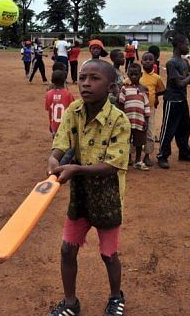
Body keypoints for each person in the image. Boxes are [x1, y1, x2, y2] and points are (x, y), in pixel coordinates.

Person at [46, 59, 130, 316]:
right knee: (67, 250)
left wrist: (76, 169)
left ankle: (116, 297)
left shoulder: (119, 121)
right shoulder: (74, 111)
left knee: (108, 254)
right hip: (80, 194)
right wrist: (54, 158)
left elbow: (113, 165)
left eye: (94, 79)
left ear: (111, 87)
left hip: (108, 195)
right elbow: (61, 142)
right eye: (82, 78)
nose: (85, 83)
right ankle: (70, 302)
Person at [157, 34, 190, 169]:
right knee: (168, 129)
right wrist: (188, 77)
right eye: (186, 44)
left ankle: (184, 152)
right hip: (172, 100)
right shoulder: (171, 63)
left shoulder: (185, 62)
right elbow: (180, 83)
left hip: (182, 99)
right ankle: (162, 155)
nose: (188, 47)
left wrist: (187, 78)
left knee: (185, 128)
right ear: (178, 45)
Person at [119, 63, 151, 170]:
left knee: (139, 142)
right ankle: (127, 159)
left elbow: (146, 106)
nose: (133, 76)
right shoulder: (124, 88)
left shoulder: (144, 90)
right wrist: (122, 119)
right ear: (127, 74)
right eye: (131, 74)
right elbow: (121, 104)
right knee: (126, 140)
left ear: (141, 74)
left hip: (139, 121)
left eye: (136, 74)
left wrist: (146, 121)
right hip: (127, 121)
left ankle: (138, 160)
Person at [140, 52, 165, 166]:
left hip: (150, 109)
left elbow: (162, 90)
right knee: (136, 131)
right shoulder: (137, 75)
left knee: (150, 132)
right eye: (145, 59)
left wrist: (154, 97)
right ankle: (132, 155)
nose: (148, 61)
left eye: (150, 59)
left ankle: (147, 155)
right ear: (141, 62)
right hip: (137, 109)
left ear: (154, 62)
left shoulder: (157, 78)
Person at [45, 70, 75, 137]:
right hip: (66, 126)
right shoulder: (68, 94)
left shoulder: (48, 94)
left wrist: (51, 125)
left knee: (56, 144)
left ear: (52, 81)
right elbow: (73, 109)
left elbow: (48, 109)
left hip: (54, 127)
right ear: (64, 80)